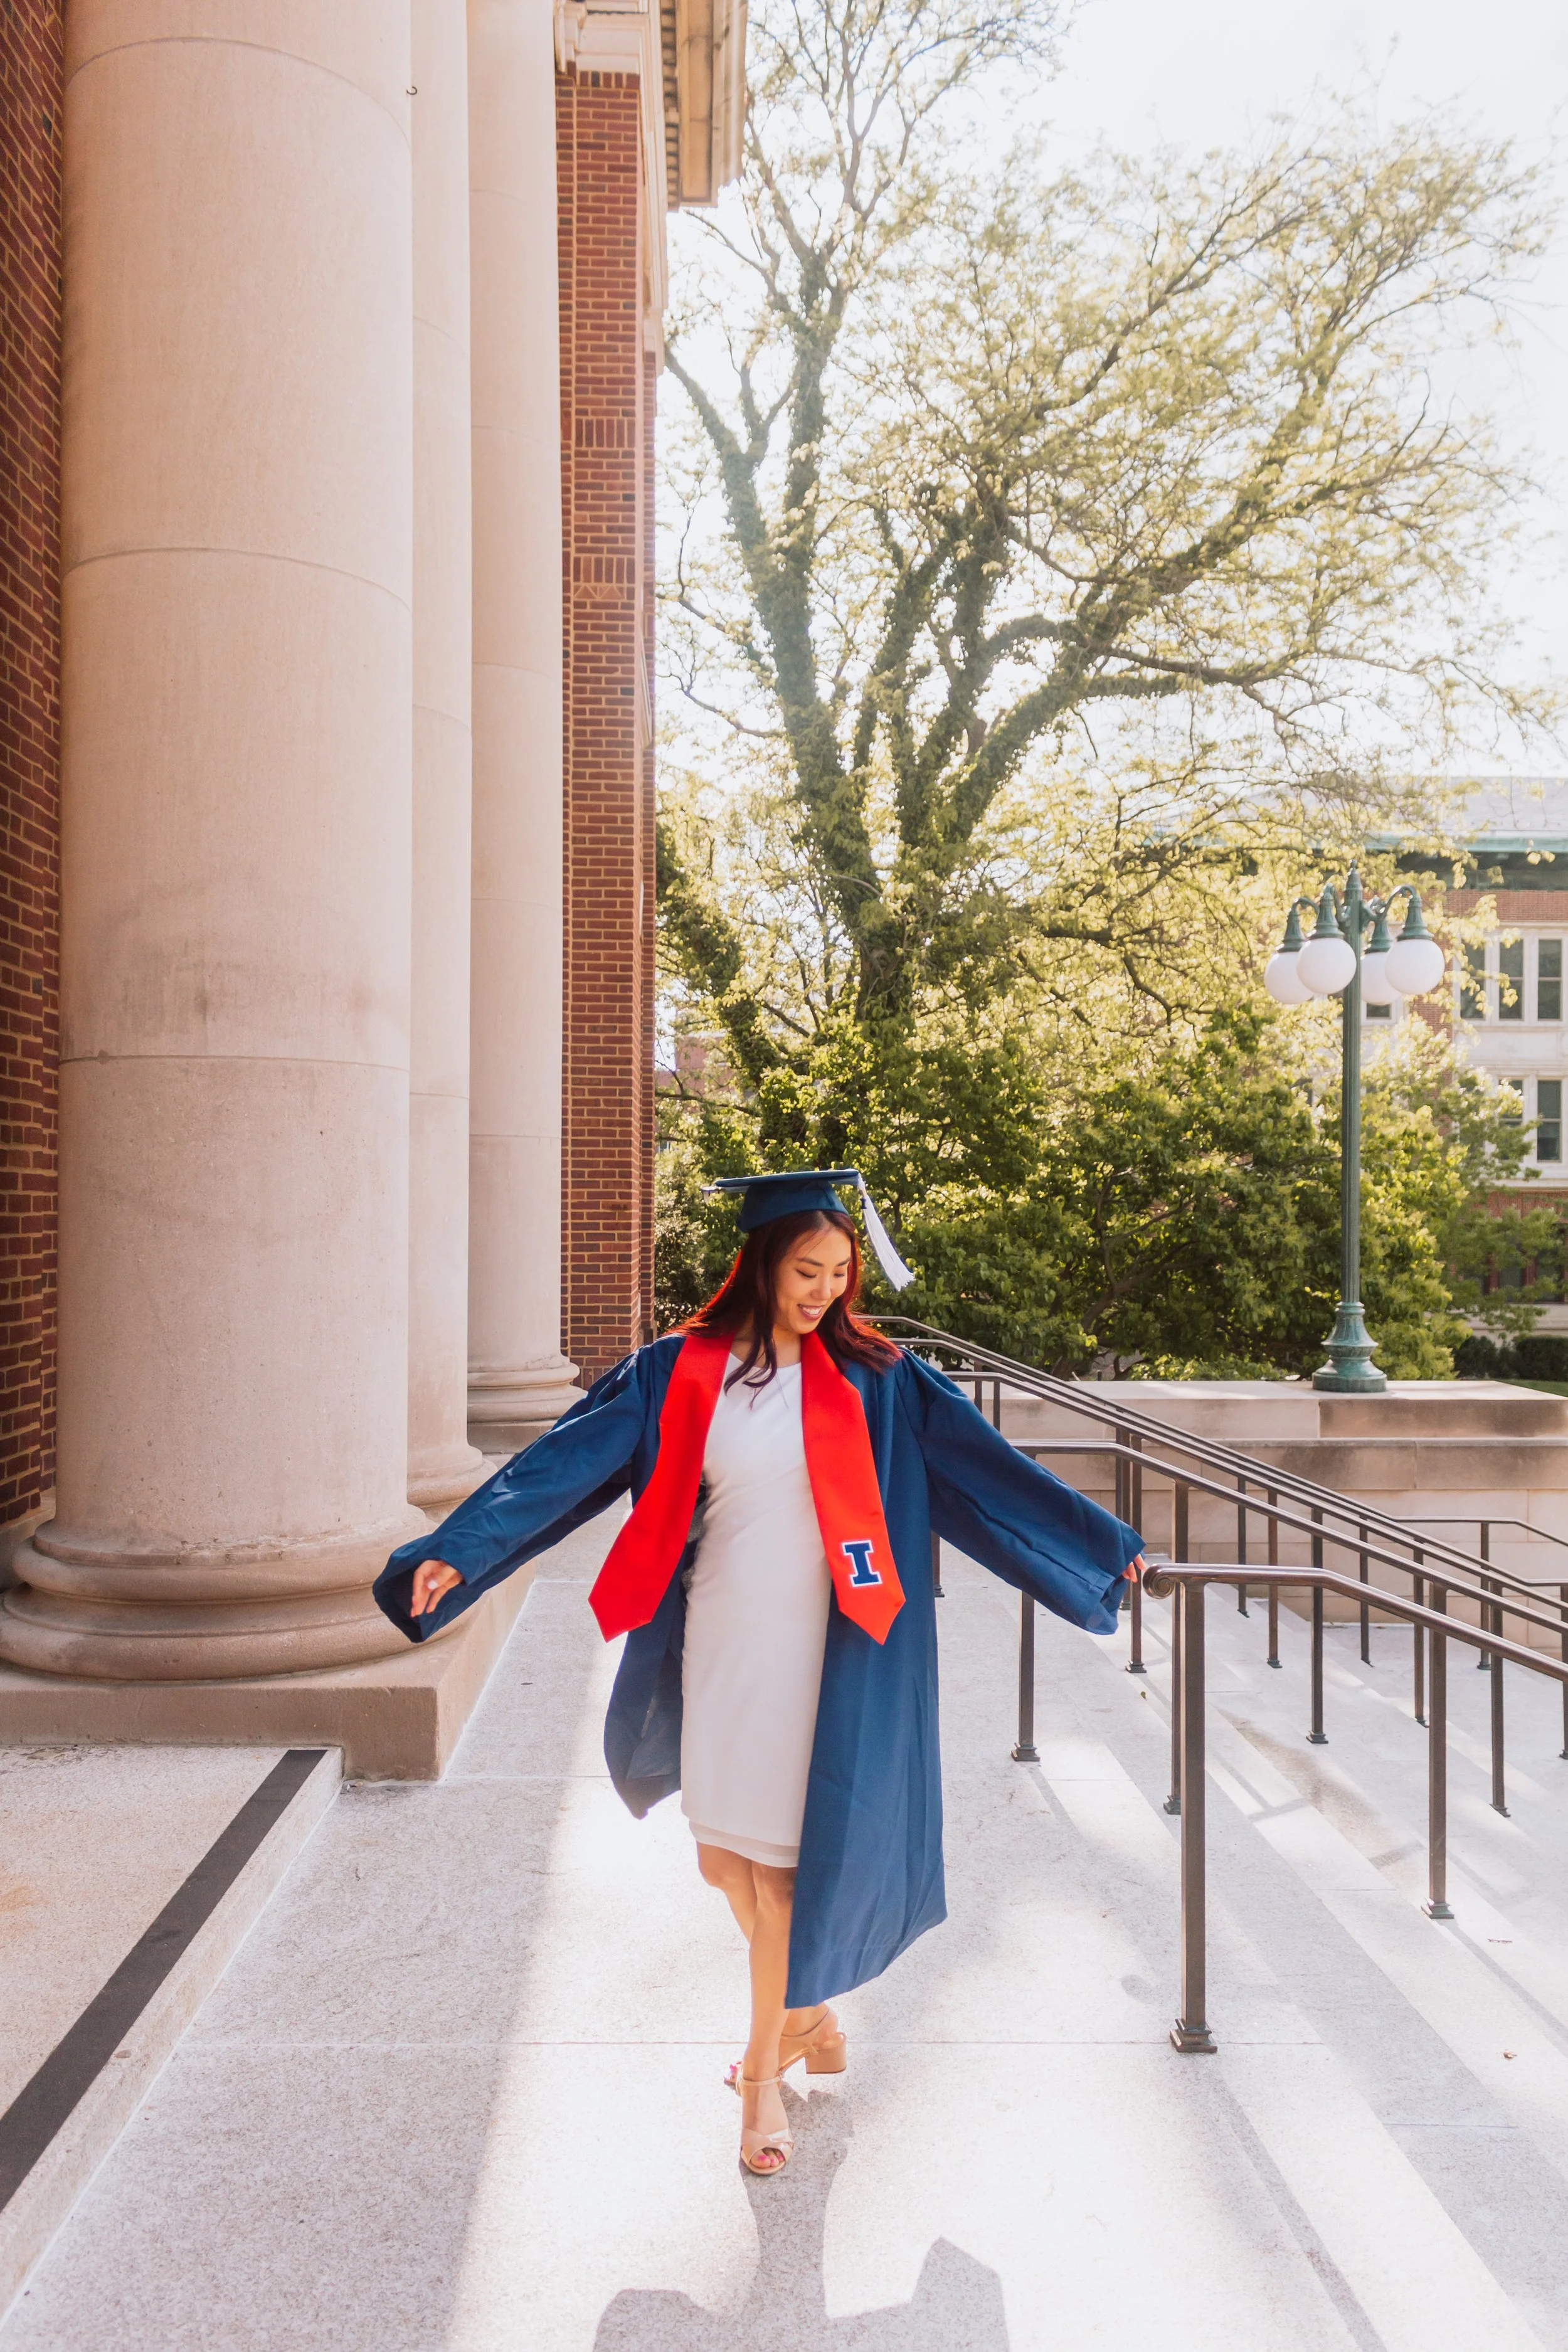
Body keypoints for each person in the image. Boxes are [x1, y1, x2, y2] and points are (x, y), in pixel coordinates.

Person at [374, 1170, 1145, 2178]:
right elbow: (555, 1467)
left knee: (780, 1878)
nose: (824, 1290)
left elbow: (993, 1472)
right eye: (806, 1269)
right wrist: (462, 1547)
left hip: (828, 1655)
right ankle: (812, 2015)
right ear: (761, 1262)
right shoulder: (675, 1372)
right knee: (722, 1860)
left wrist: (1104, 1545)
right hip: (720, 1643)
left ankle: (760, 2080)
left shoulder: (881, 1379)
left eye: (839, 1273)